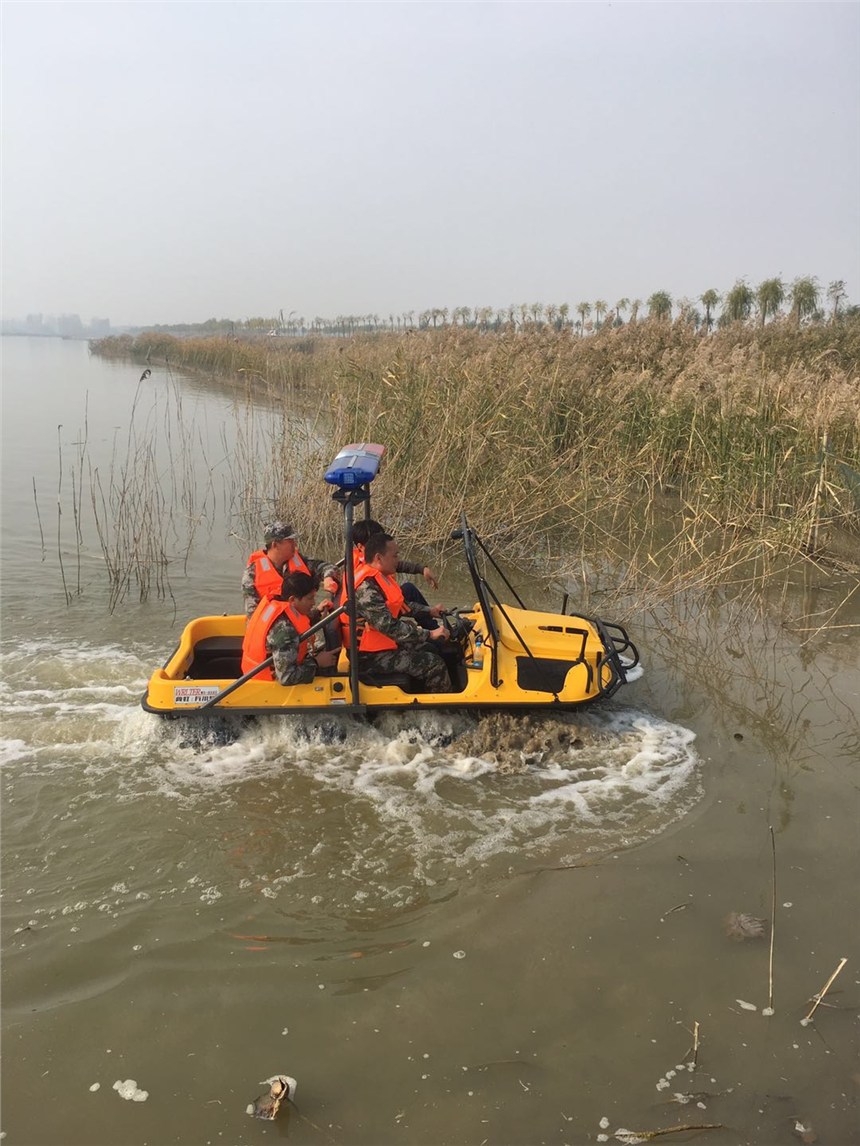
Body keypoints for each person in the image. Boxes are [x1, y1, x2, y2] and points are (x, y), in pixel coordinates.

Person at [353, 532, 452, 693]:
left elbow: (401, 606)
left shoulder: (380, 578)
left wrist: (430, 611)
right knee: (435, 664)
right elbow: (390, 627)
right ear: (379, 558)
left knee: (430, 648)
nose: (398, 560)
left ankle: (423, 696)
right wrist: (429, 634)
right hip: (370, 657)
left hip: (383, 644)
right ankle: (444, 714)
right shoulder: (367, 589)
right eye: (395, 556)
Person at [241, 571, 340, 686]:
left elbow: (296, 620)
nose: (313, 602)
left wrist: (317, 612)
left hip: (259, 673)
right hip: (267, 686)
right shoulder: (284, 630)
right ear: (292, 600)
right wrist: (317, 662)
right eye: (310, 598)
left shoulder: (279, 603)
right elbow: (287, 677)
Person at [242, 521, 337, 619]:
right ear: (275, 545)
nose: (295, 545)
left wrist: (328, 577)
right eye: (290, 541)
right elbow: (254, 615)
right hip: (276, 629)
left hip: (298, 626)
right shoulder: (252, 575)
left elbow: (327, 566)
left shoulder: (299, 561)